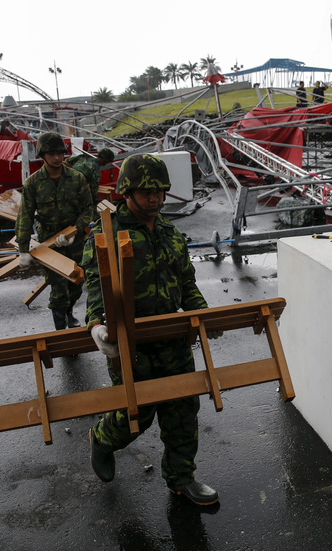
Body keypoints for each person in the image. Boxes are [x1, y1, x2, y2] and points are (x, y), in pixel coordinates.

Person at [83, 153, 222, 506]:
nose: (155, 197)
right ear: (126, 192)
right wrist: (98, 328)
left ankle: (181, 478)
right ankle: (101, 439)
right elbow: (95, 287)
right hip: (132, 344)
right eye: (146, 191)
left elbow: (186, 284)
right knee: (136, 418)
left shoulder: (169, 232)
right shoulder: (107, 233)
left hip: (172, 338)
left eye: (160, 190)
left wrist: (201, 317)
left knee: (182, 413)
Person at [15, 132, 96, 330]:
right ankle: (61, 330)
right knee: (58, 286)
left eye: (60, 153)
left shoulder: (77, 179)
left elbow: (89, 209)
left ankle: (69, 314)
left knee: (76, 282)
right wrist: (23, 248)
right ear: (43, 155)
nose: (57, 158)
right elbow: (24, 215)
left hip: (74, 240)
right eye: (52, 154)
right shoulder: (33, 183)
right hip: (48, 243)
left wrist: (75, 231)